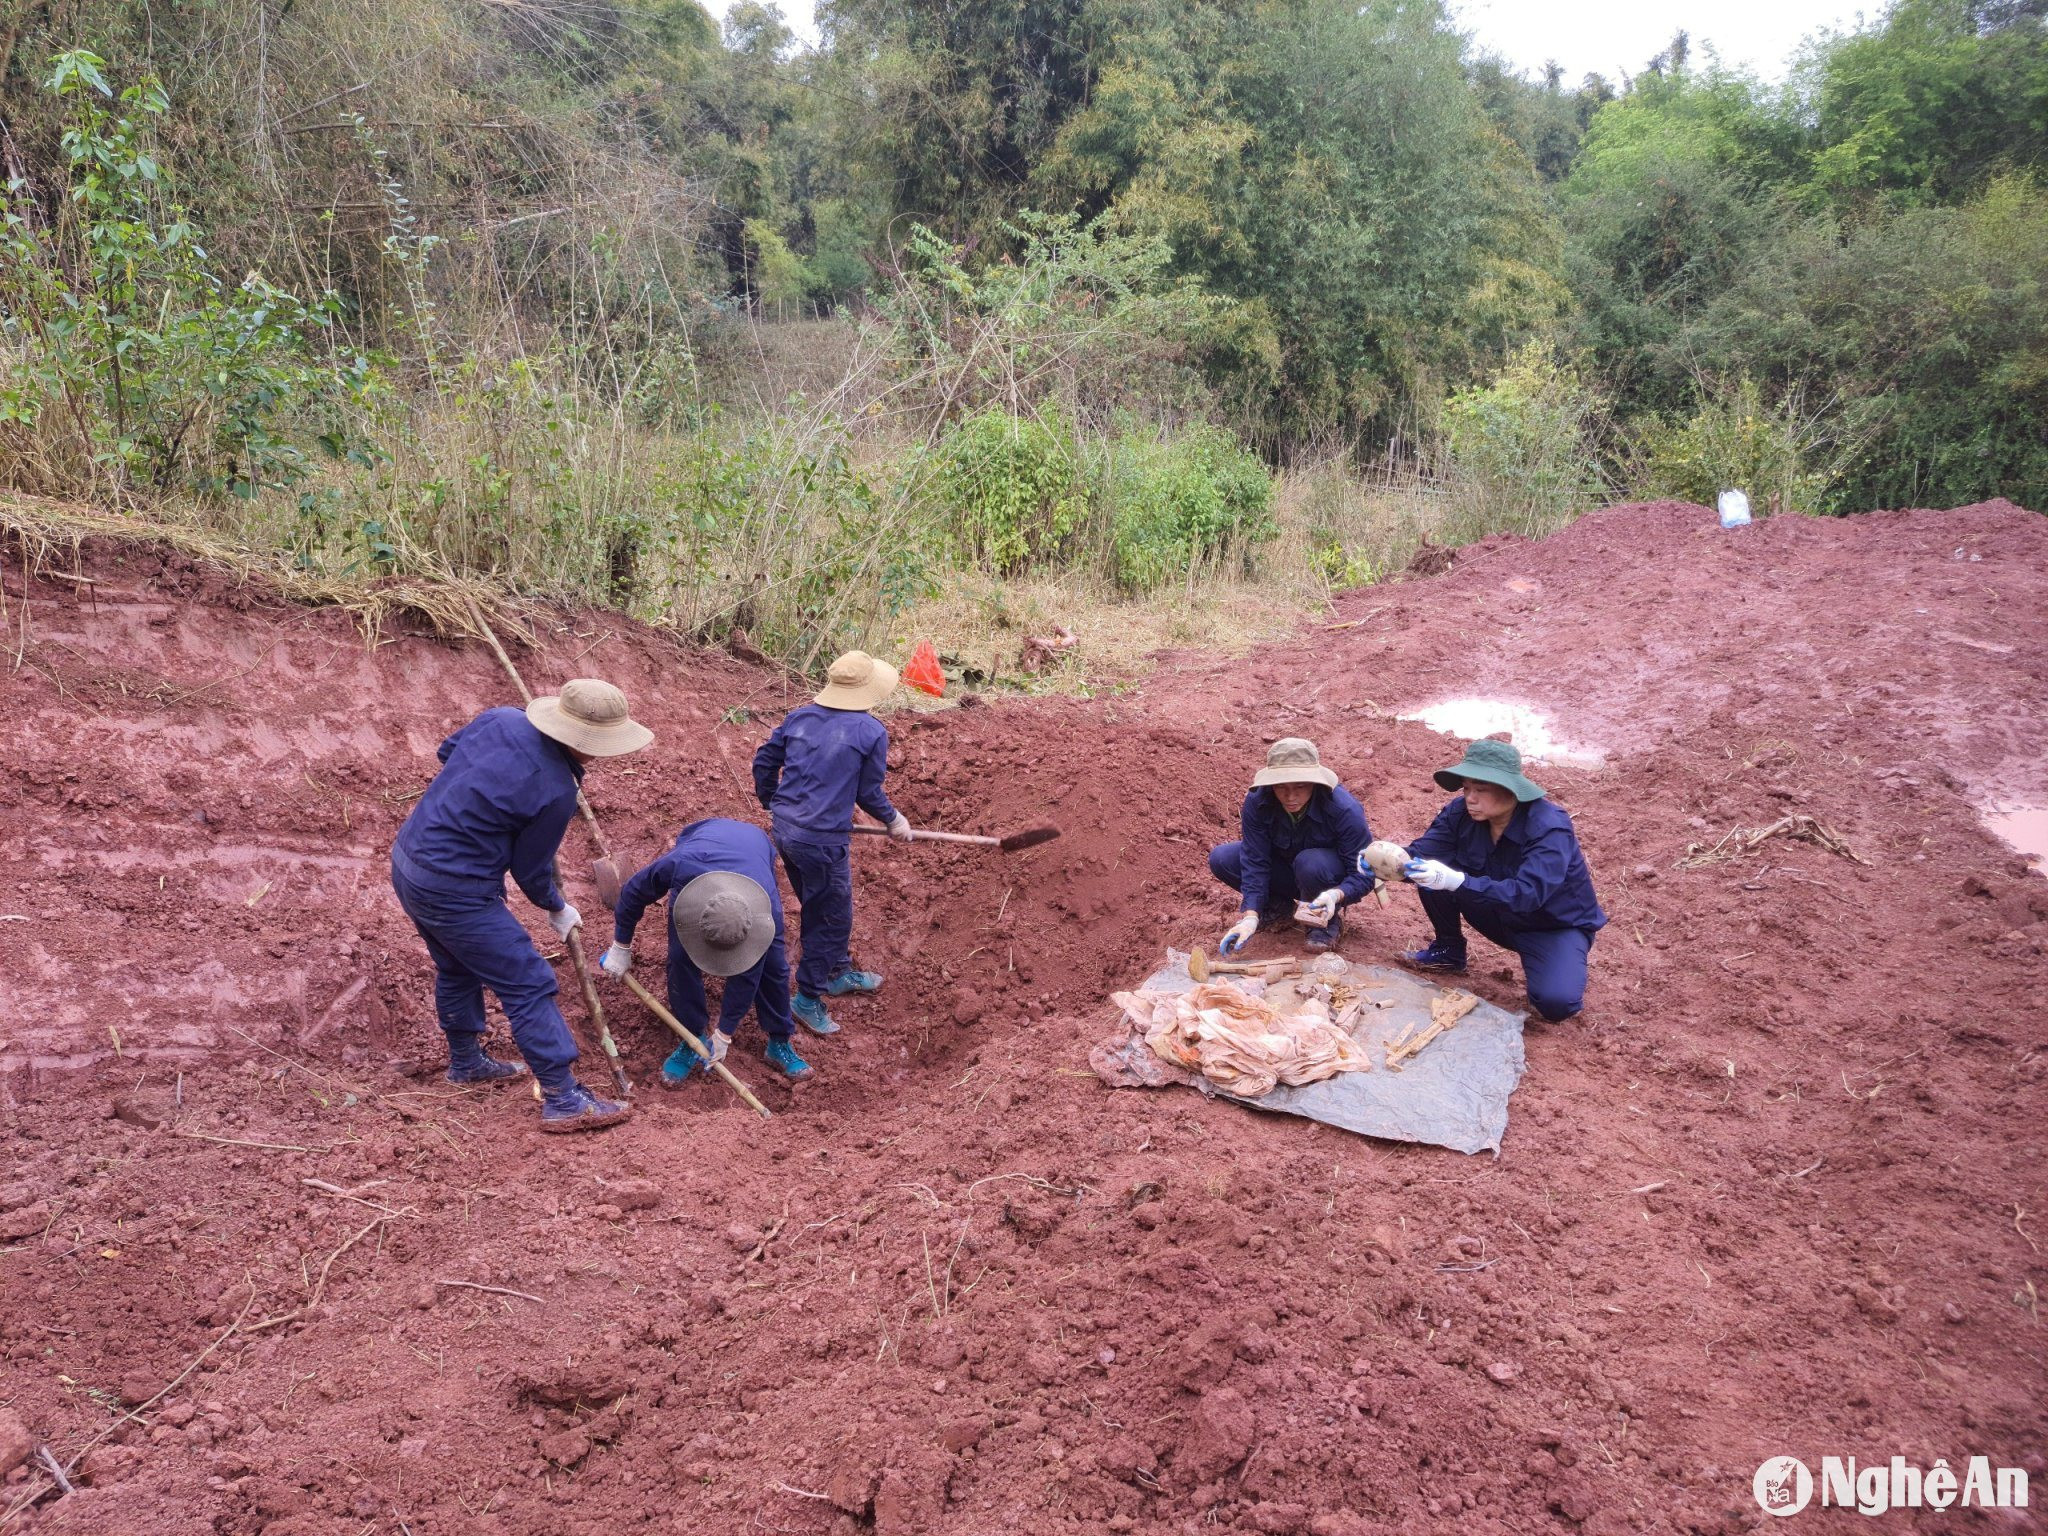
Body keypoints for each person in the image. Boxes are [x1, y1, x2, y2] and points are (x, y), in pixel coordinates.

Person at [389, 679, 651, 1132]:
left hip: (409, 862)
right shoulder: (556, 789)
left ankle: (466, 1061)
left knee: (457, 965)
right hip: (456, 890)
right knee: (528, 982)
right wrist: (555, 907)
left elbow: (447, 754)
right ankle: (564, 1097)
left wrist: (490, 805)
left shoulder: (501, 718)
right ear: (588, 742)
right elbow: (530, 871)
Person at [1377, 738, 1606, 1022]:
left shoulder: (1549, 826)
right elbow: (1421, 855)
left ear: (1510, 789)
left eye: (1481, 790)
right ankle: (1449, 950)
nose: (1470, 798)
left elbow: (1528, 895)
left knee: (1556, 1003)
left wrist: (1457, 882)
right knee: (1434, 871)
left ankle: (1554, 964)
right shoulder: (1460, 813)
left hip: (1549, 926)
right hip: (1493, 911)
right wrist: (1383, 861)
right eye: (1467, 788)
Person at [752, 650, 913, 1035]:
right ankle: (807, 999)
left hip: (786, 831)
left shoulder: (800, 717)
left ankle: (837, 970)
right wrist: (895, 820)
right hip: (821, 843)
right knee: (833, 918)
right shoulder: (871, 732)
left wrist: (773, 802)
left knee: (817, 900)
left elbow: (763, 761)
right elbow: (869, 793)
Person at [599, 818, 813, 1085]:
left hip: (754, 850)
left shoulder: (766, 909)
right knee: (680, 960)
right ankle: (692, 1036)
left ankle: (779, 1041)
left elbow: (747, 976)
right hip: (701, 856)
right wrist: (621, 945)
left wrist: (725, 1032)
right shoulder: (680, 865)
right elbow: (633, 893)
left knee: (773, 968)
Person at [1209, 738, 1376, 954]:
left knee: (1310, 862)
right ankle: (1278, 908)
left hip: (1326, 880)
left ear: (1314, 783)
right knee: (1223, 858)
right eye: (1281, 787)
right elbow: (1254, 859)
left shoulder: (1344, 809)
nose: (1290, 796)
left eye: (1300, 786)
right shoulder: (1258, 801)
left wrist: (1336, 895)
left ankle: (1324, 921)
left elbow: (1364, 875)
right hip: (1288, 873)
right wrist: (1251, 915)